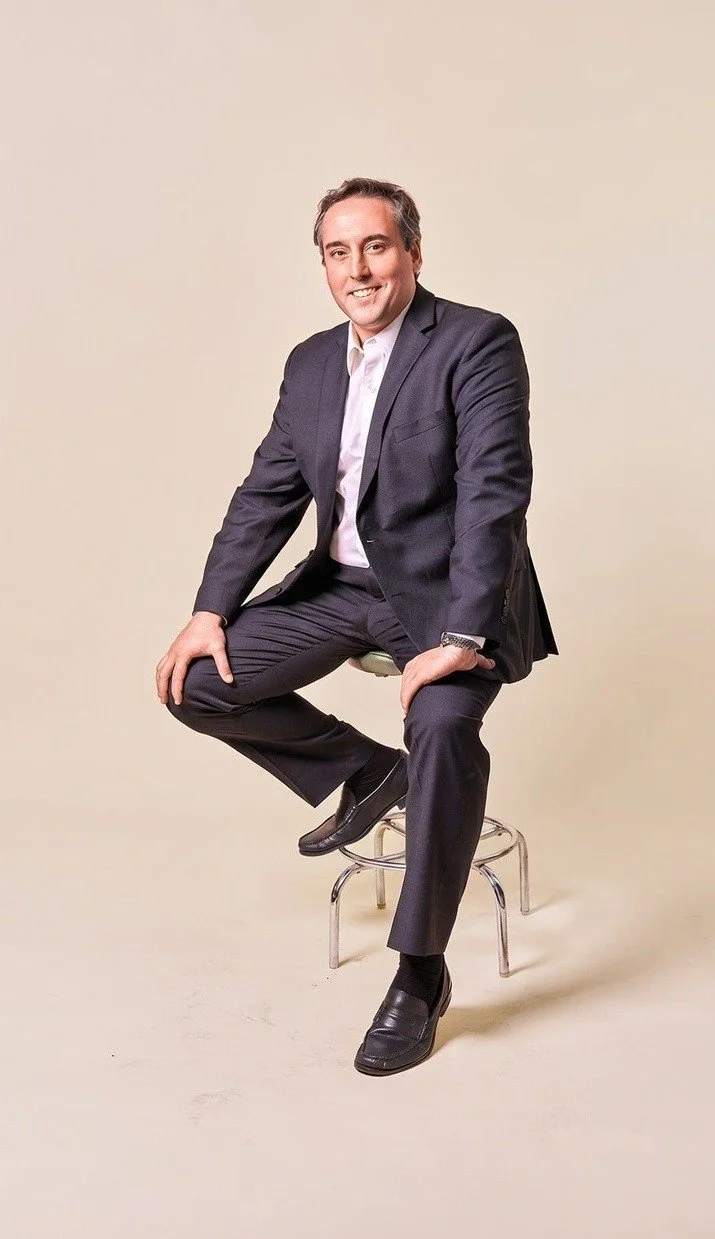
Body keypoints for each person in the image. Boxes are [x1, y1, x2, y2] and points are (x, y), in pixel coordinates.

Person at [156, 176, 558, 1076]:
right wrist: (208, 610)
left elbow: (496, 494)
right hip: (341, 588)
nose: (358, 269)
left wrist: (462, 634)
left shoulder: (476, 341)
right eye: (339, 253)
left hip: (448, 595)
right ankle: (369, 772)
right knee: (196, 683)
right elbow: (268, 490)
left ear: (413, 251)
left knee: (448, 730)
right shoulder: (308, 362)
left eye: (376, 246)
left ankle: (419, 972)